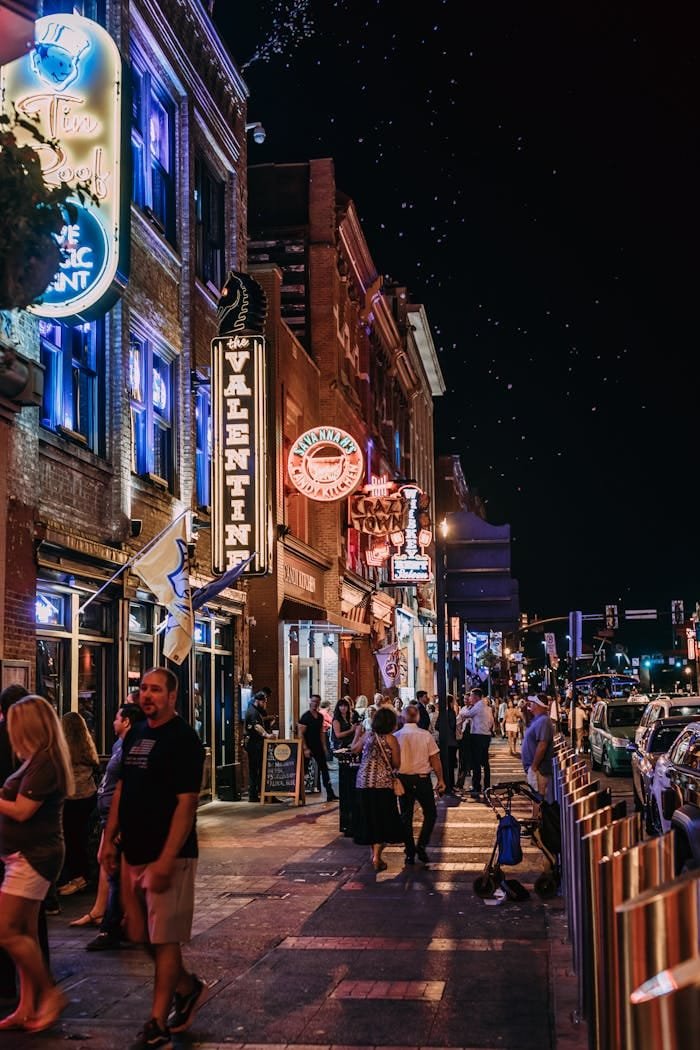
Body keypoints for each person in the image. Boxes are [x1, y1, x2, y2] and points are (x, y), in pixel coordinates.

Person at [100, 667, 206, 1050]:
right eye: (143, 688)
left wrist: (167, 858)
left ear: (172, 696)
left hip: (169, 855)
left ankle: (157, 1022)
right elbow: (123, 788)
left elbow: (186, 805)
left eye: (156, 689)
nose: (147, 695)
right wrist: (109, 838)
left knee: (163, 941)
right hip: (134, 850)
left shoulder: (184, 740)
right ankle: (187, 987)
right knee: (137, 932)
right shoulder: (136, 734)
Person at [0, 694, 73, 1032]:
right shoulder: (36, 760)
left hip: (33, 857)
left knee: (6, 930)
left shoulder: (44, 763)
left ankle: (49, 993)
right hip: (25, 855)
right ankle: (26, 1007)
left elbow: (22, 811)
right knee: (25, 931)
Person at [72, 700, 146, 951]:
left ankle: (113, 925)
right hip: (108, 817)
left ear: (126, 721)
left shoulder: (133, 747)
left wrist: (122, 822)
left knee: (116, 869)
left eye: (116, 717)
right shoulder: (119, 745)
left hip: (118, 819)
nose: (113, 721)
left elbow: (130, 786)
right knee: (109, 865)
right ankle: (106, 916)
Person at [351, 706, 405, 871]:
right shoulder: (391, 739)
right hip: (383, 785)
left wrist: (356, 734)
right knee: (383, 820)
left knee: (369, 819)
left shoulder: (368, 736)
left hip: (363, 783)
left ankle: (373, 855)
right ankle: (376, 856)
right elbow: (396, 763)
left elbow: (354, 749)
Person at [395, 704, 445, 865]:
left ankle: (409, 851)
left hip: (403, 779)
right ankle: (421, 845)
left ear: (403, 717)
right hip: (422, 779)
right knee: (430, 813)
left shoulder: (396, 736)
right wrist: (441, 779)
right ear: (417, 717)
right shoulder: (425, 735)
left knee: (405, 816)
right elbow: (435, 760)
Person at [57, 711, 99, 897]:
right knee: (80, 839)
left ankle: (74, 877)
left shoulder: (61, 749)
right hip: (88, 798)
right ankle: (81, 877)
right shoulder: (87, 747)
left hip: (68, 800)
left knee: (69, 839)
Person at [298, 695, 337, 802]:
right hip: (308, 747)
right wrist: (305, 748)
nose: (315, 703)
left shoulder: (320, 716)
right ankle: (298, 793)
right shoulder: (305, 716)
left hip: (318, 746)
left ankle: (330, 793)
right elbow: (300, 733)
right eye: (313, 701)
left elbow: (321, 732)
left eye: (317, 702)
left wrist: (324, 746)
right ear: (310, 701)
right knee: (303, 770)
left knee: (324, 769)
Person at [521, 694, 555, 808]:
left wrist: (534, 766)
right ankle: (536, 820)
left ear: (539, 705)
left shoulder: (544, 721)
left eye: (533, 703)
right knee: (535, 797)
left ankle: (539, 821)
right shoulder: (538, 719)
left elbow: (542, 745)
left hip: (540, 768)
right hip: (535, 768)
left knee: (538, 797)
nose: (530, 704)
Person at [459, 687, 494, 798]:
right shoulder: (487, 707)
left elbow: (466, 714)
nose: (470, 698)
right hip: (486, 735)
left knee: (476, 762)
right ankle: (487, 785)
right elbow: (491, 722)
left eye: (471, 696)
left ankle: (476, 786)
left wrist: (462, 710)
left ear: (477, 697)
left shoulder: (478, 706)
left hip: (478, 736)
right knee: (485, 762)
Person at [244, 691, 271, 802]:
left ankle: (256, 794)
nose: (265, 704)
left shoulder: (255, 711)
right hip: (254, 745)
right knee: (254, 769)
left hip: (256, 744)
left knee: (256, 769)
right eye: (264, 702)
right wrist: (266, 735)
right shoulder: (253, 712)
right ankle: (253, 795)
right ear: (258, 701)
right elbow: (256, 726)